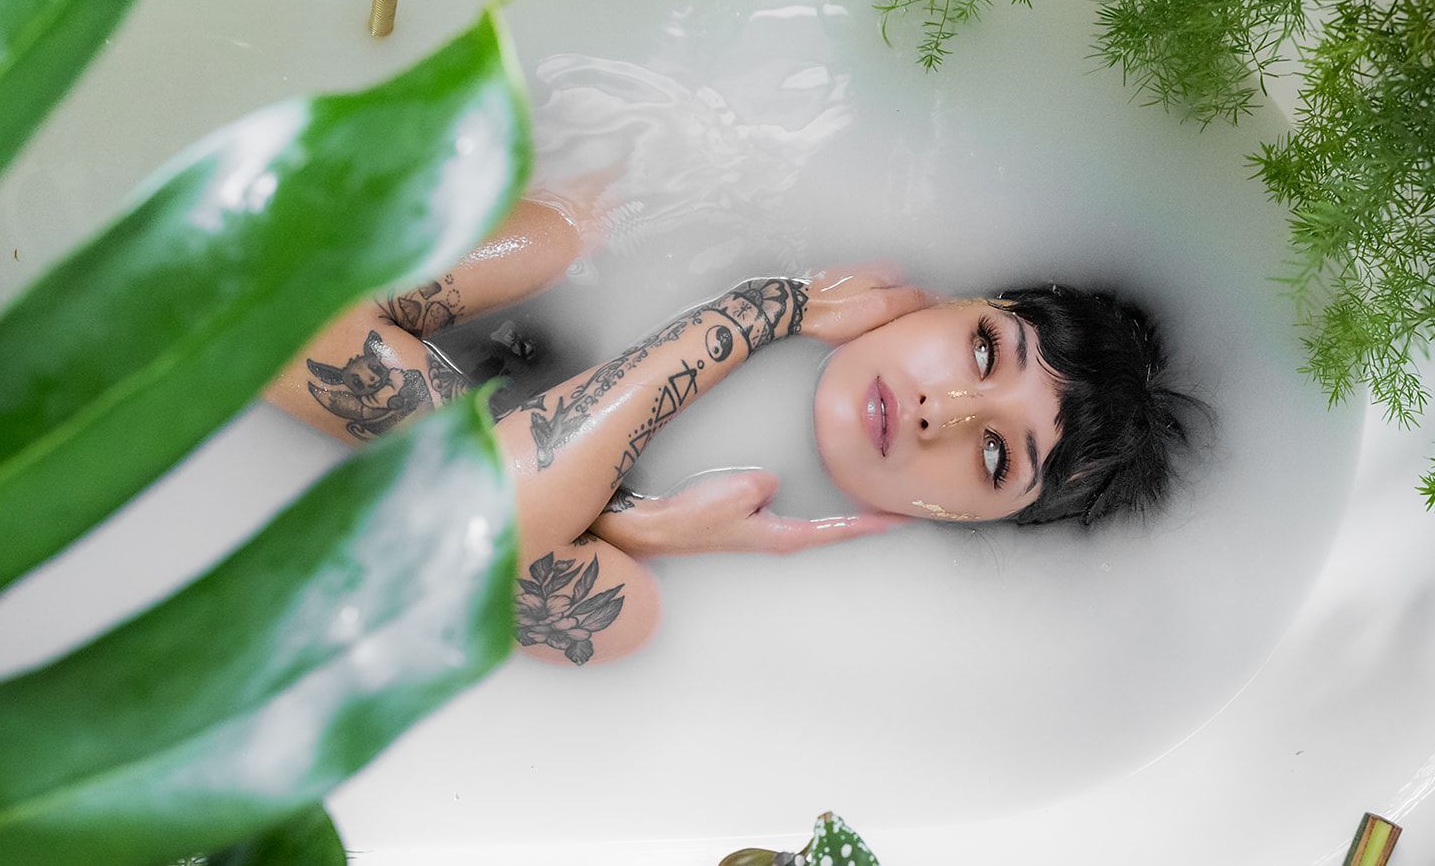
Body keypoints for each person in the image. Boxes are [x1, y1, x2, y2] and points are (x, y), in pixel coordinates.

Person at [264, 180, 1205, 669]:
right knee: (554, 234)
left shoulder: (665, 619)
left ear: (975, 521)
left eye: (997, 456)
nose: (940, 410)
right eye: (986, 351)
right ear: (958, 300)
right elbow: (269, 299)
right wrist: (759, 312)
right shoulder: (627, 230)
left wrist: (756, 322)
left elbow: (265, 331)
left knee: (621, 621)